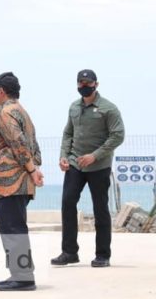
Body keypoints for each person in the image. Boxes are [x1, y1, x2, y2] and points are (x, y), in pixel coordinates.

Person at [52, 69, 125, 268]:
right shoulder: (74, 107)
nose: (84, 86)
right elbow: (68, 134)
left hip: (98, 165)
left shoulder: (108, 109)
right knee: (68, 202)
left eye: (88, 83)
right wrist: (63, 156)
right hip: (75, 163)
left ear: (96, 84)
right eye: (81, 83)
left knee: (100, 208)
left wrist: (94, 156)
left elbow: (118, 135)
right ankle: (69, 252)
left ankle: (102, 255)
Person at [0, 72, 44, 291]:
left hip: (9, 181)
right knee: (15, 227)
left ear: (1, 91)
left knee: (12, 229)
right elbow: (33, 145)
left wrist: (32, 170)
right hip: (17, 181)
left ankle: (23, 277)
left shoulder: (6, 113)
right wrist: (34, 169)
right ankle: (20, 274)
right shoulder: (20, 111)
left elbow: (19, 144)